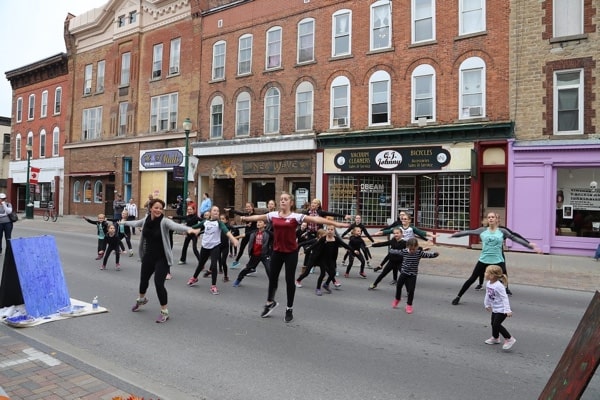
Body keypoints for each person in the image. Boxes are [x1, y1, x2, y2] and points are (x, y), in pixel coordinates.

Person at [241, 192, 349, 323]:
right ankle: (270, 302)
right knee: (273, 279)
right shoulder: (273, 215)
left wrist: (336, 224)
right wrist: (246, 218)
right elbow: (259, 216)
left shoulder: (296, 216)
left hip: (291, 253)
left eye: (285, 199)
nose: (282, 201)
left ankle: (289, 308)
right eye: (281, 199)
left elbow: (316, 220)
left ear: (291, 203)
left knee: (288, 280)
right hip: (277, 252)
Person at [124, 198, 199, 323]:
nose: (158, 210)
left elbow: (176, 226)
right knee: (143, 281)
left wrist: (189, 229)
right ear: (151, 208)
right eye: (156, 208)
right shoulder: (146, 219)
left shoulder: (164, 222)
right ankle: (141, 300)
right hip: (148, 256)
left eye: (160, 208)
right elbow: (136, 223)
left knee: (159, 283)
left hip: (162, 258)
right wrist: (123, 223)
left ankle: (164, 312)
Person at [450, 212, 542, 305]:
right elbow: (468, 232)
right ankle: (458, 296)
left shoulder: (502, 231)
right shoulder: (482, 230)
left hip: (498, 260)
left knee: (502, 280)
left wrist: (530, 245)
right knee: (472, 279)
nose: (490, 219)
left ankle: (504, 302)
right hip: (484, 259)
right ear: (487, 219)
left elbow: (515, 238)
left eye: (492, 217)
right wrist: (456, 235)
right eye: (489, 217)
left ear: (496, 219)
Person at [187, 206, 239, 295]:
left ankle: (213, 286)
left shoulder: (219, 223)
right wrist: (189, 230)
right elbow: (194, 226)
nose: (216, 212)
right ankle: (194, 278)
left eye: (218, 211)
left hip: (215, 246)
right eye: (214, 210)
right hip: (205, 247)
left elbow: (226, 231)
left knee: (214, 266)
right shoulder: (205, 222)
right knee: (201, 264)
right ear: (210, 212)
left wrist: (233, 239)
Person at [391, 238, 439, 314]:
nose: (412, 251)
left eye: (414, 249)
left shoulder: (419, 253)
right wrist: (392, 250)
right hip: (404, 272)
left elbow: (427, 255)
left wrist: (434, 254)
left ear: (417, 247)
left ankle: (409, 305)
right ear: (407, 247)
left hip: (413, 274)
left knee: (411, 290)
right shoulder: (404, 251)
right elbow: (396, 251)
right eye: (410, 249)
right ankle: (397, 299)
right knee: (399, 286)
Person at [483, 265, 516, 350]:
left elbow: (505, 298)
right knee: (493, 324)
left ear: (492, 275)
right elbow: (487, 294)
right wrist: (487, 304)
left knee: (496, 324)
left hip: (502, 310)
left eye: (486, 272)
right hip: (495, 308)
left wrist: (507, 310)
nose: (485, 273)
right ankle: (495, 338)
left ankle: (509, 339)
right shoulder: (488, 283)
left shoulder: (499, 286)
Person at [232, 219, 272, 287]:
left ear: (265, 225)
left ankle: (273, 284)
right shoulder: (253, 232)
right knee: (247, 269)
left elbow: (278, 238)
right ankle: (238, 280)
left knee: (269, 269)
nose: (258, 223)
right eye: (257, 222)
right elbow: (244, 234)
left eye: (260, 222)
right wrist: (234, 237)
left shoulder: (268, 233)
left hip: (264, 255)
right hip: (255, 255)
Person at [227, 202, 258, 268]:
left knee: (251, 250)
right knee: (241, 248)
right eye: (246, 207)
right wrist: (230, 210)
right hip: (246, 234)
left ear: (252, 207)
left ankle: (251, 265)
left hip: (252, 235)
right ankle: (236, 262)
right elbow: (239, 213)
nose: (247, 208)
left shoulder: (255, 215)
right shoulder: (246, 214)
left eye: (249, 206)